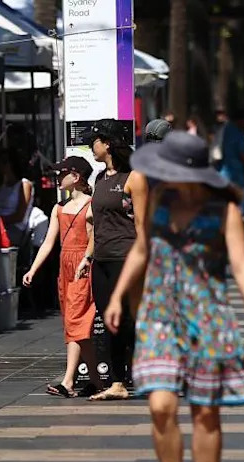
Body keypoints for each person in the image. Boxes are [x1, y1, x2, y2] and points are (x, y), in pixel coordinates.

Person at [102, 131, 244, 462]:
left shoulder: (223, 209)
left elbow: (240, 264)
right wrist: (117, 296)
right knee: (160, 406)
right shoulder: (158, 202)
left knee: (206, 412)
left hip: (208, 316)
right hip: (160, 314)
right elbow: (141, 249)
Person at [77, 119, 148, 401]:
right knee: (109, 321)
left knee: (128, 320)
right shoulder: (100, 179)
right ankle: (118, 383)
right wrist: (88, 256)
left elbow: (142, 223)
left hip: (126, 256)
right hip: (102, 259)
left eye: (94, 141)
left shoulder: (134, 178)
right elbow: (97, 223)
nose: (90, 146)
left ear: (107, 144)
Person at [23, 156, 97, 398]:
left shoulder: (91, 206)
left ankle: (68, 381)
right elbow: (47, 243)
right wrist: (33, 269)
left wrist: (86, 260)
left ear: (76, 177)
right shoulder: (59, 208)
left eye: (61, 173)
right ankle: (96, 380)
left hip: (81, 267)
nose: (56, 177)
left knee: (75, 320)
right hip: (64, 266)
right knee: (73, 323)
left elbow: (95, 240)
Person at [218, 110, 244, 214]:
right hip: (236, 177)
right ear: (241, 120)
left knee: (226, 209)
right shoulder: (238, 134)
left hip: (223, 174)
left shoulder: (225, 130)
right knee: (238, 211)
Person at [0, 150, 34, 247]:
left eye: (4, 162)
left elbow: (19, 216)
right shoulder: (3, 186)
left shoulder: (24, 185)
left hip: (14, 228)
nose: (1, 166)